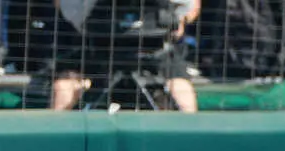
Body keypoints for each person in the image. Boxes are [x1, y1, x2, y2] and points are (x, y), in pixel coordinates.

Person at [50, 0, 202, 111]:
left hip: (156, 56)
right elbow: (64, 7)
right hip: (97, 54)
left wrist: (178, 20)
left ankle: (188, 148)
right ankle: (56, 148)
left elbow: (190, 9)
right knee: (64, 87)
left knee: (182, 93)